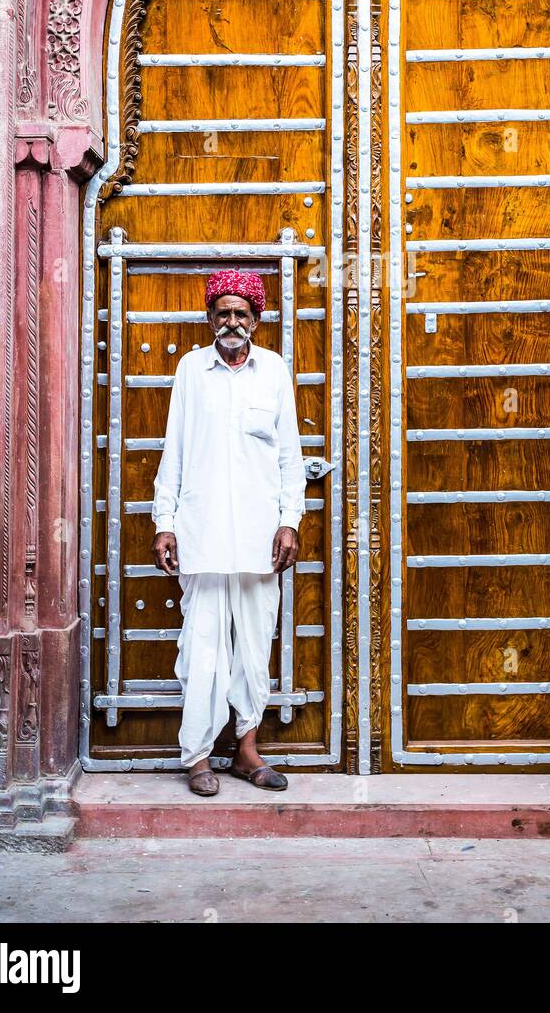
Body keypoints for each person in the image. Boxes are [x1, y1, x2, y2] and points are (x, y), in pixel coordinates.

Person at [151, 268, 307, 796]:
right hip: (204, 533)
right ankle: (196, 757)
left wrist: (290, 521)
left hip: (261, 540)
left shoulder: (274, 371)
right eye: (224, 313)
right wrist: (164, 523)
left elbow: (290, 456)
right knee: (202, 649)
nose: (232, 322)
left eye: (242, 313)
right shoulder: (192, 370)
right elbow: (174, 450)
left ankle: (245, 752)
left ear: (257, 321)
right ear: (209, 319)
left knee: (254, 648)